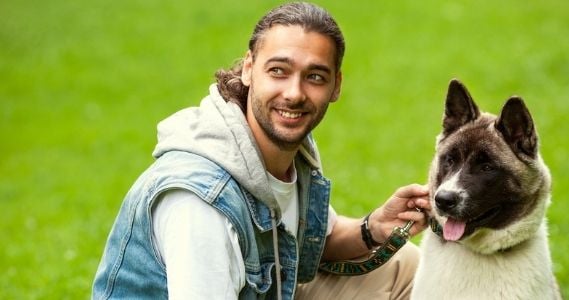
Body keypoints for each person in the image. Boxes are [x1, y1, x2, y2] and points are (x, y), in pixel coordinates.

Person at [92, 2, 431, 299]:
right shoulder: (202, 204)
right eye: (278, 71)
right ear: (249, 68)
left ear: (335, 86)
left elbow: (313, 241)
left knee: (403, 269)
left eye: (314, 77)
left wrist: (374, 227)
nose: (294, 93)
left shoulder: (283, 155)